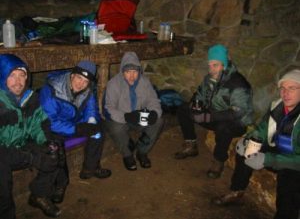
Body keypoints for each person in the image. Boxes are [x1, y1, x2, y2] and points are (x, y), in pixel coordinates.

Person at [213, 69, 300, 219]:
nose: (285, 93)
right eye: (283, 88)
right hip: (278, 148)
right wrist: (248, 139)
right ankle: (237, 191)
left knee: (289, 183)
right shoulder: (277, 106)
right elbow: (262, 129)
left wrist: (267, 160)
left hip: (293, 160)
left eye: (292, 88)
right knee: (247, 151)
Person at [174, 44, 254, 179]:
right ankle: (191, 145)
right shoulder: (209, 78)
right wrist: (195, 106)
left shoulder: (238, 84)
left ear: (225, 64)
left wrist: (207, 117)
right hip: (213, 116)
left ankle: (219, 160)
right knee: (183, 109)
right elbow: (199, 95)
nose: (211, 69)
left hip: (236, 122)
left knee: (224, 128)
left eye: (215, 65)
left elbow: (237, 113)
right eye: (209, 65)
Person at [39, 60, 111, 204]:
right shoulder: (51, 90)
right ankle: (60, 184)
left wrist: (91, 121)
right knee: (54, 144)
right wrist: (77, 129)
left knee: (99, 128)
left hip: (75, 123)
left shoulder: (88, 89)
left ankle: (90, 168)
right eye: (79, 78)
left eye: (85, 81)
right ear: (72, 75)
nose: (81, 84)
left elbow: (91, 109)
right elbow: (49, 122)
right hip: (54, 128)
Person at [0, 54, 61, 218]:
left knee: (54, 149)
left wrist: (48, 143)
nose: (18, 82)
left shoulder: (29, 98)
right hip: (4, 153)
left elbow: (40, 124)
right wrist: (31, 158)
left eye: (22, 75)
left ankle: (39, 194)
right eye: (11, 76)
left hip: (21, 145)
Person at [103, 51, 164, 171]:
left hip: (137, 117)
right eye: (128, 72)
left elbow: (153, 101)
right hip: (121, 118)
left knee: (158, 121)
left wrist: (154, 113)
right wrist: (126, 117)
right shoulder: (113, 84)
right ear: (122, 72)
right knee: (116, 128)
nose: (132, 76)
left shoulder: (145, 82)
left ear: (139, 71)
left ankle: (142, 151)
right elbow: (108, 108)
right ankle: (127, 154)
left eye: (135, 71)